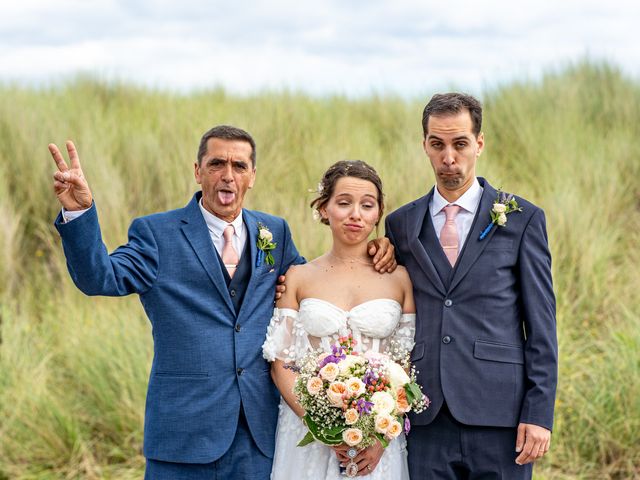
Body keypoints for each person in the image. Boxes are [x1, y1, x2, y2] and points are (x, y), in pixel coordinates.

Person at [48, 126, 396, 480]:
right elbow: (99, 278)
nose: (228, 175)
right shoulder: (157, 234)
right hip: (182, 438)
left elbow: (318, 287)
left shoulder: (274, 232)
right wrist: (80, 214)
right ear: (198, 171)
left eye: (239, 166)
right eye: (217, 164)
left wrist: (371, 252)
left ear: (252, 176)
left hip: (259, 438)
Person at [385, 93, 558, 479]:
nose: (449, 156)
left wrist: (539, 413)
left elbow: (542, 327)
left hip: (501, 416)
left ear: (479, 144)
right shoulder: (400, 225)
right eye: (438, 144)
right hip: (424, 414)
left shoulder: (522, 219)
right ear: (425, 146)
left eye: (460, 143)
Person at [262, 160, 415, 480]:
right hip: (307, 432)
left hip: (376, 436)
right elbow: (280, 363)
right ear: (323, 209)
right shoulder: (298, 276)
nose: (355, 214)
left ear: (378, 213)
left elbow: (405, 365)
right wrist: (321, 427)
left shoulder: (400, 279)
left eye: (367, 205)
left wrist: (381, 433)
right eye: (343, 203)